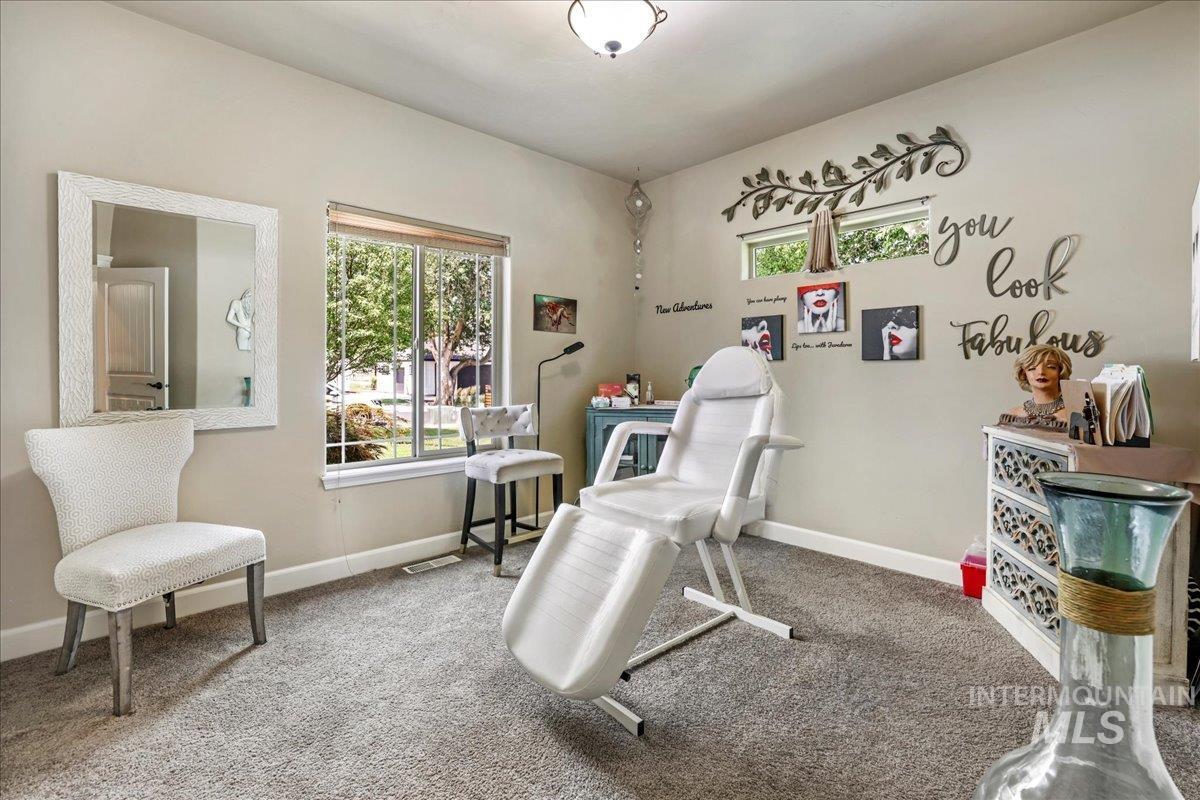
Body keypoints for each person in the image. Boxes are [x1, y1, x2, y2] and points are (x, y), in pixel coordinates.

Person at [1000, 344, 1073, 429]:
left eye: (1050, 367)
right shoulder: (1011, 416)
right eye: (1032, 368)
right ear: (1023, 374)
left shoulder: (1076, 415)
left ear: (1061, 372)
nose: (1041, 372)